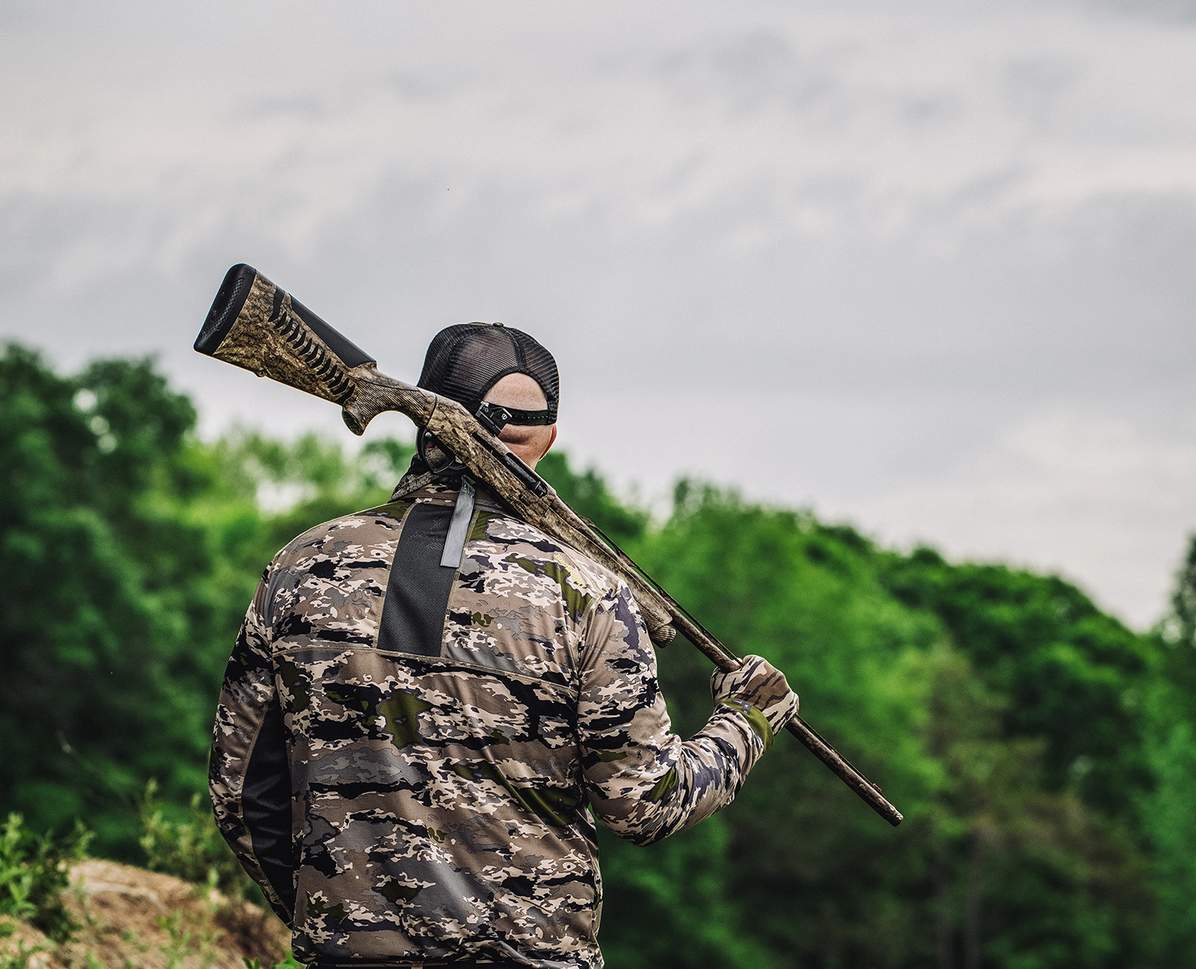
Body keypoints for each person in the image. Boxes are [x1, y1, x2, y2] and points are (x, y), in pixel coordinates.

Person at [208, 322, 799, 969]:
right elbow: (644, 804)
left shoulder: (303, 566)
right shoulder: (588, 593)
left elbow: (241, 792)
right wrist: (745, 725)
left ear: (422, 415)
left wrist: (337, 920)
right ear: (548, 436)